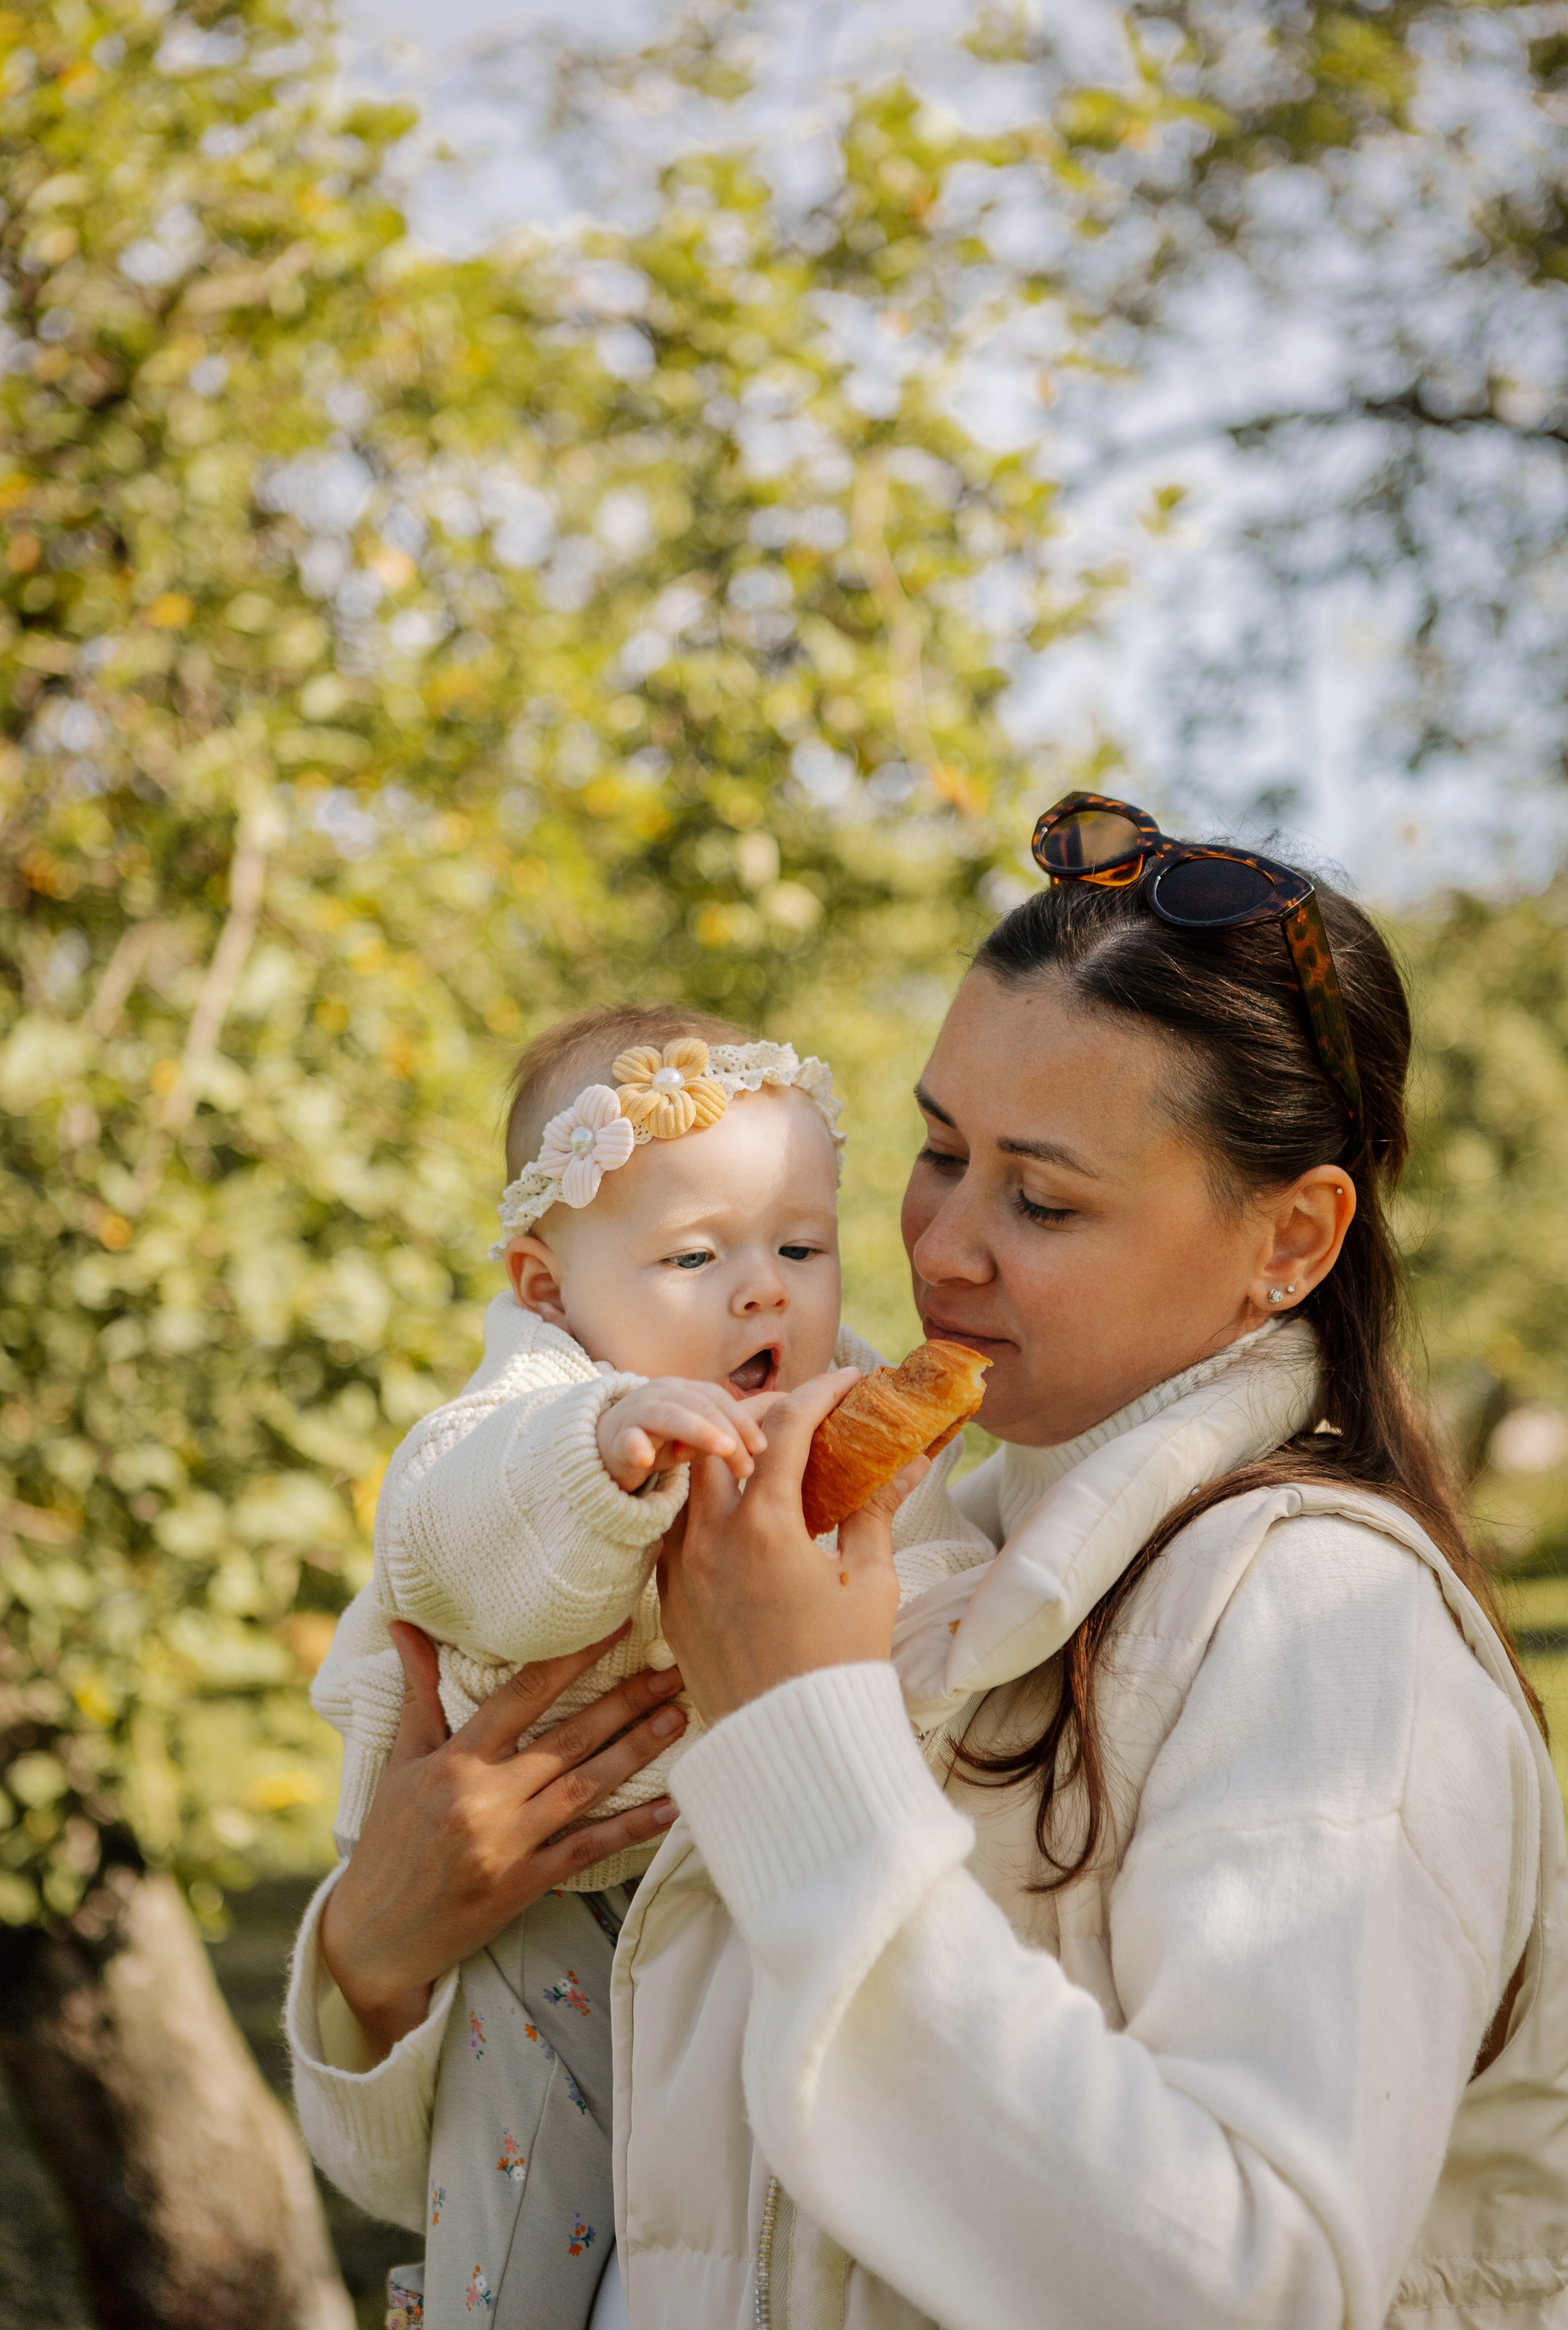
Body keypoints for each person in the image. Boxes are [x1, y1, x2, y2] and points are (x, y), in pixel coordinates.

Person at [293, 801, 1568, 2330]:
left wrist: (794, 1731)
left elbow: (1248, 2286)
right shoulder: (918, 1548)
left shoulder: (1319, 1624)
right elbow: (573, 2188)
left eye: (1039, 1198)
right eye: (937, 1151)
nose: (942, 1246)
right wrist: (378, 1953)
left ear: (1287, 1240)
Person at [296, 1001, 987, 2326]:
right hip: (537, 1926)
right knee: (518, 2250)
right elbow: (444, 1537)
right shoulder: (533, 1412)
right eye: (691, 1255)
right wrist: (603, 1448)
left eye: (798, 1244)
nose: (763, 1290)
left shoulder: (848, 1406)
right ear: (548, 1289)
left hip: (733, 1906)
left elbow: (927, 1579)